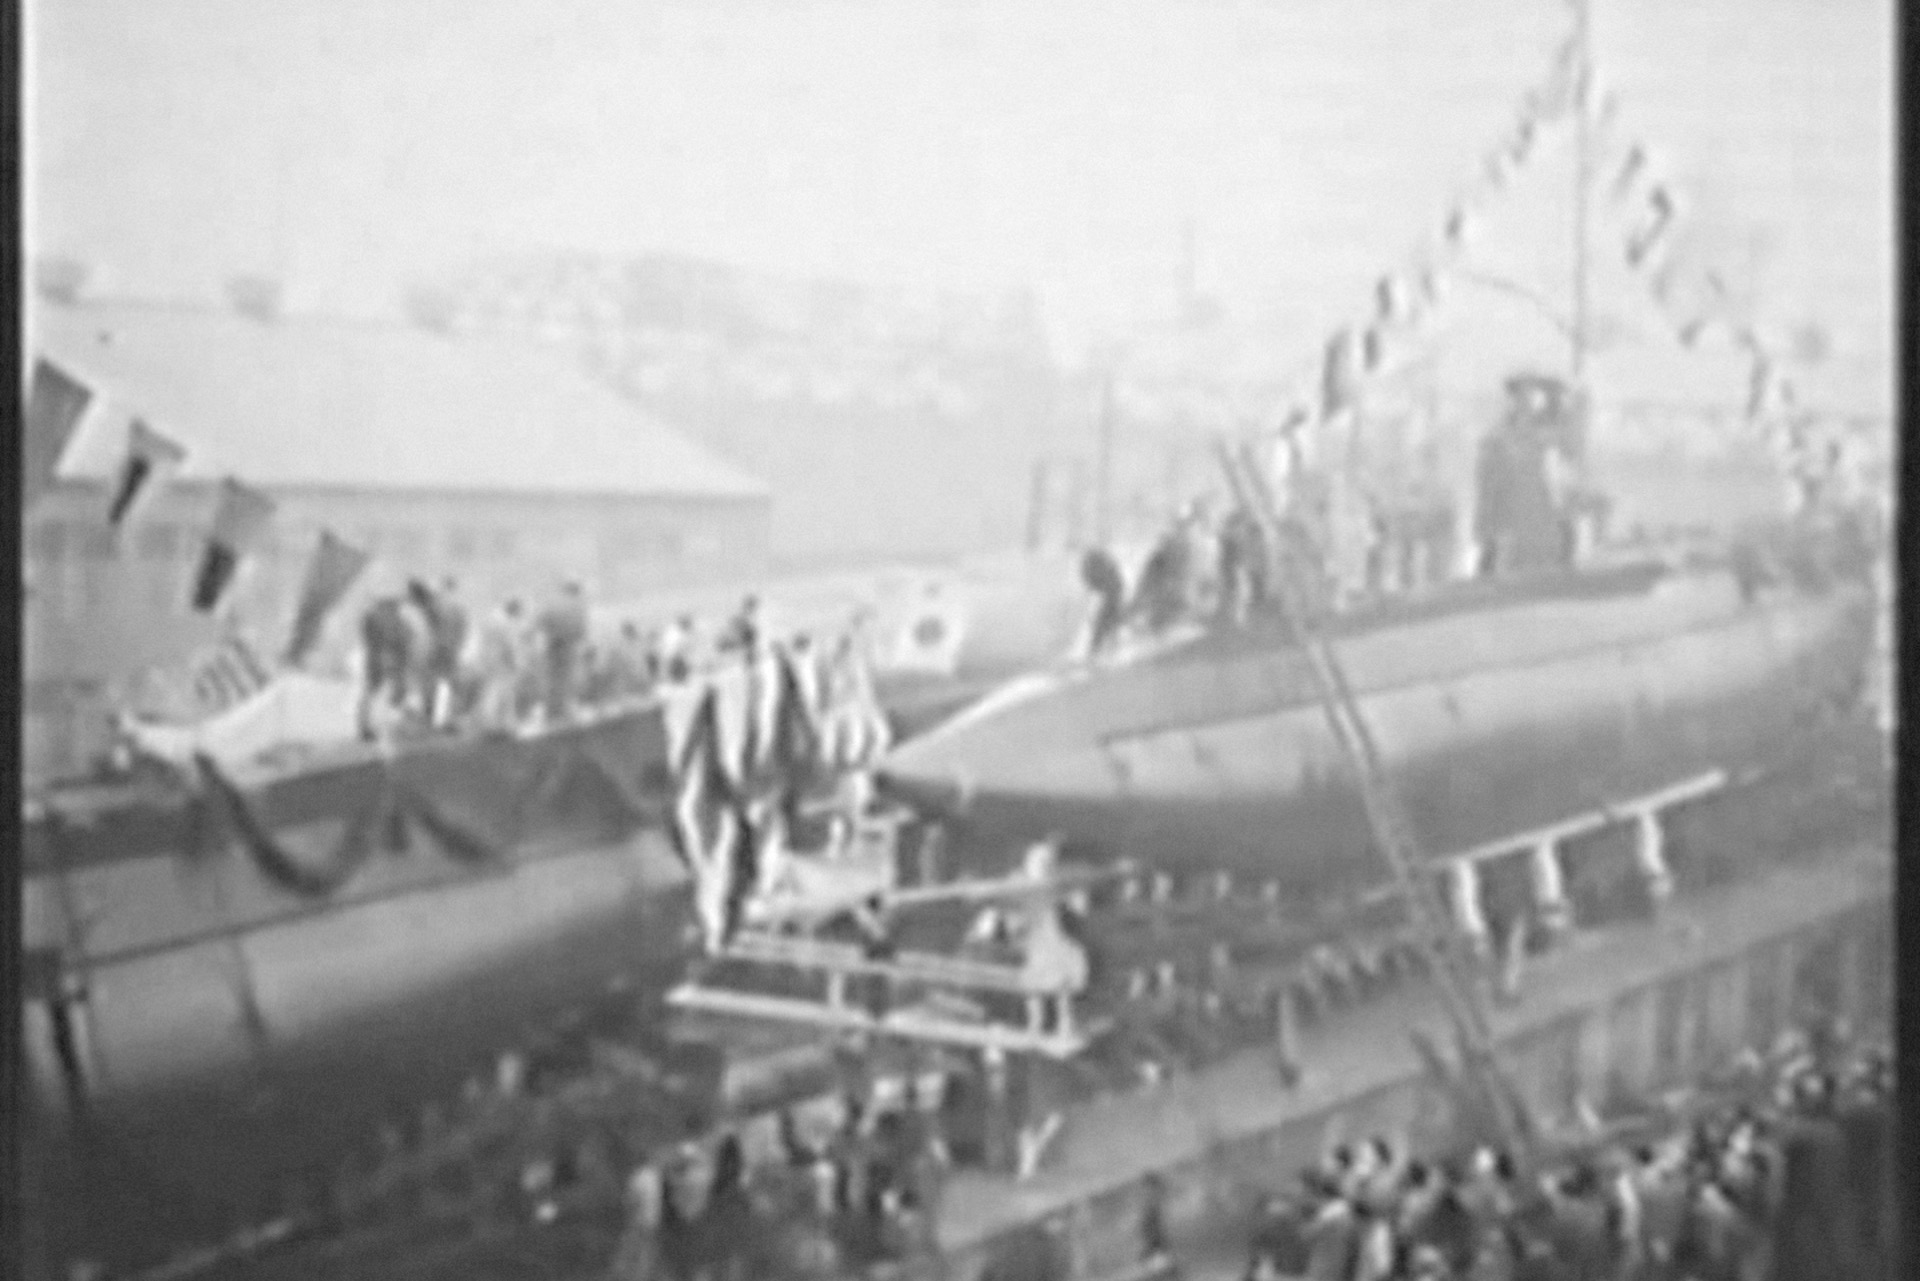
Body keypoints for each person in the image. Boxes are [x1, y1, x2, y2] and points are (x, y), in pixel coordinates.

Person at [357, 594, 415, 740]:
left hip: (382, 657)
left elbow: (404, 638)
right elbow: (400, 638)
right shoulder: (387, 619)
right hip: (384, 657)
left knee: (380, 691)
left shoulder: (379, 617)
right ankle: (371, 726)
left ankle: (370, 726)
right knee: (380, 691)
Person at [539, 580, 590, 725]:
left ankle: (552, 712)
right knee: (567, 678)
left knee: (553, 679)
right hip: (568, 645)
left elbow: (541, 621)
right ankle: (565, 712)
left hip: (553, 644)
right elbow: (581, 628)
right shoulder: (576, 605)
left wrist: (551, 633)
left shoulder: (552, 603)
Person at [1079, 546, 1128, 657]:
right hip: (1111, 593)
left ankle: (1099, 652)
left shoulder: (1102, 567)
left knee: (1106, 624)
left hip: (1113, 593)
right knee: (1104, 625)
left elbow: (1113, 586)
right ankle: (1099, 652)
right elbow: (1093, 587)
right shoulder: (1094, 566)